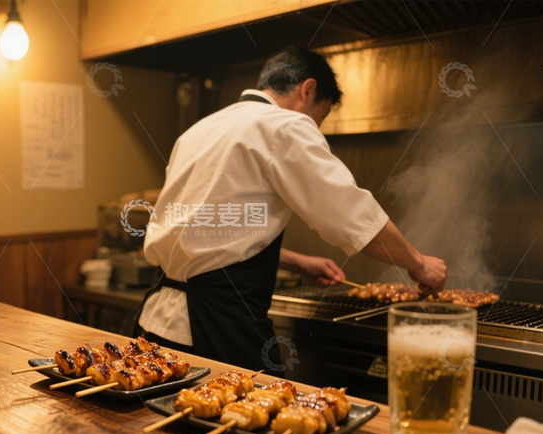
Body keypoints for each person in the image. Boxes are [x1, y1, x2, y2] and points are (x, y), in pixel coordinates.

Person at [136, 47, 447, 371]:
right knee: (247, 419)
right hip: (218, 328)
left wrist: (294, 261)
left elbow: (202, 230)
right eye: (321, 116)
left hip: (157, 323)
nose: (317, 127)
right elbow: (353, 217)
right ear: (308, 90)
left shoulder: (199, 130)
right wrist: (419, 263)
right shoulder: (285, 126)